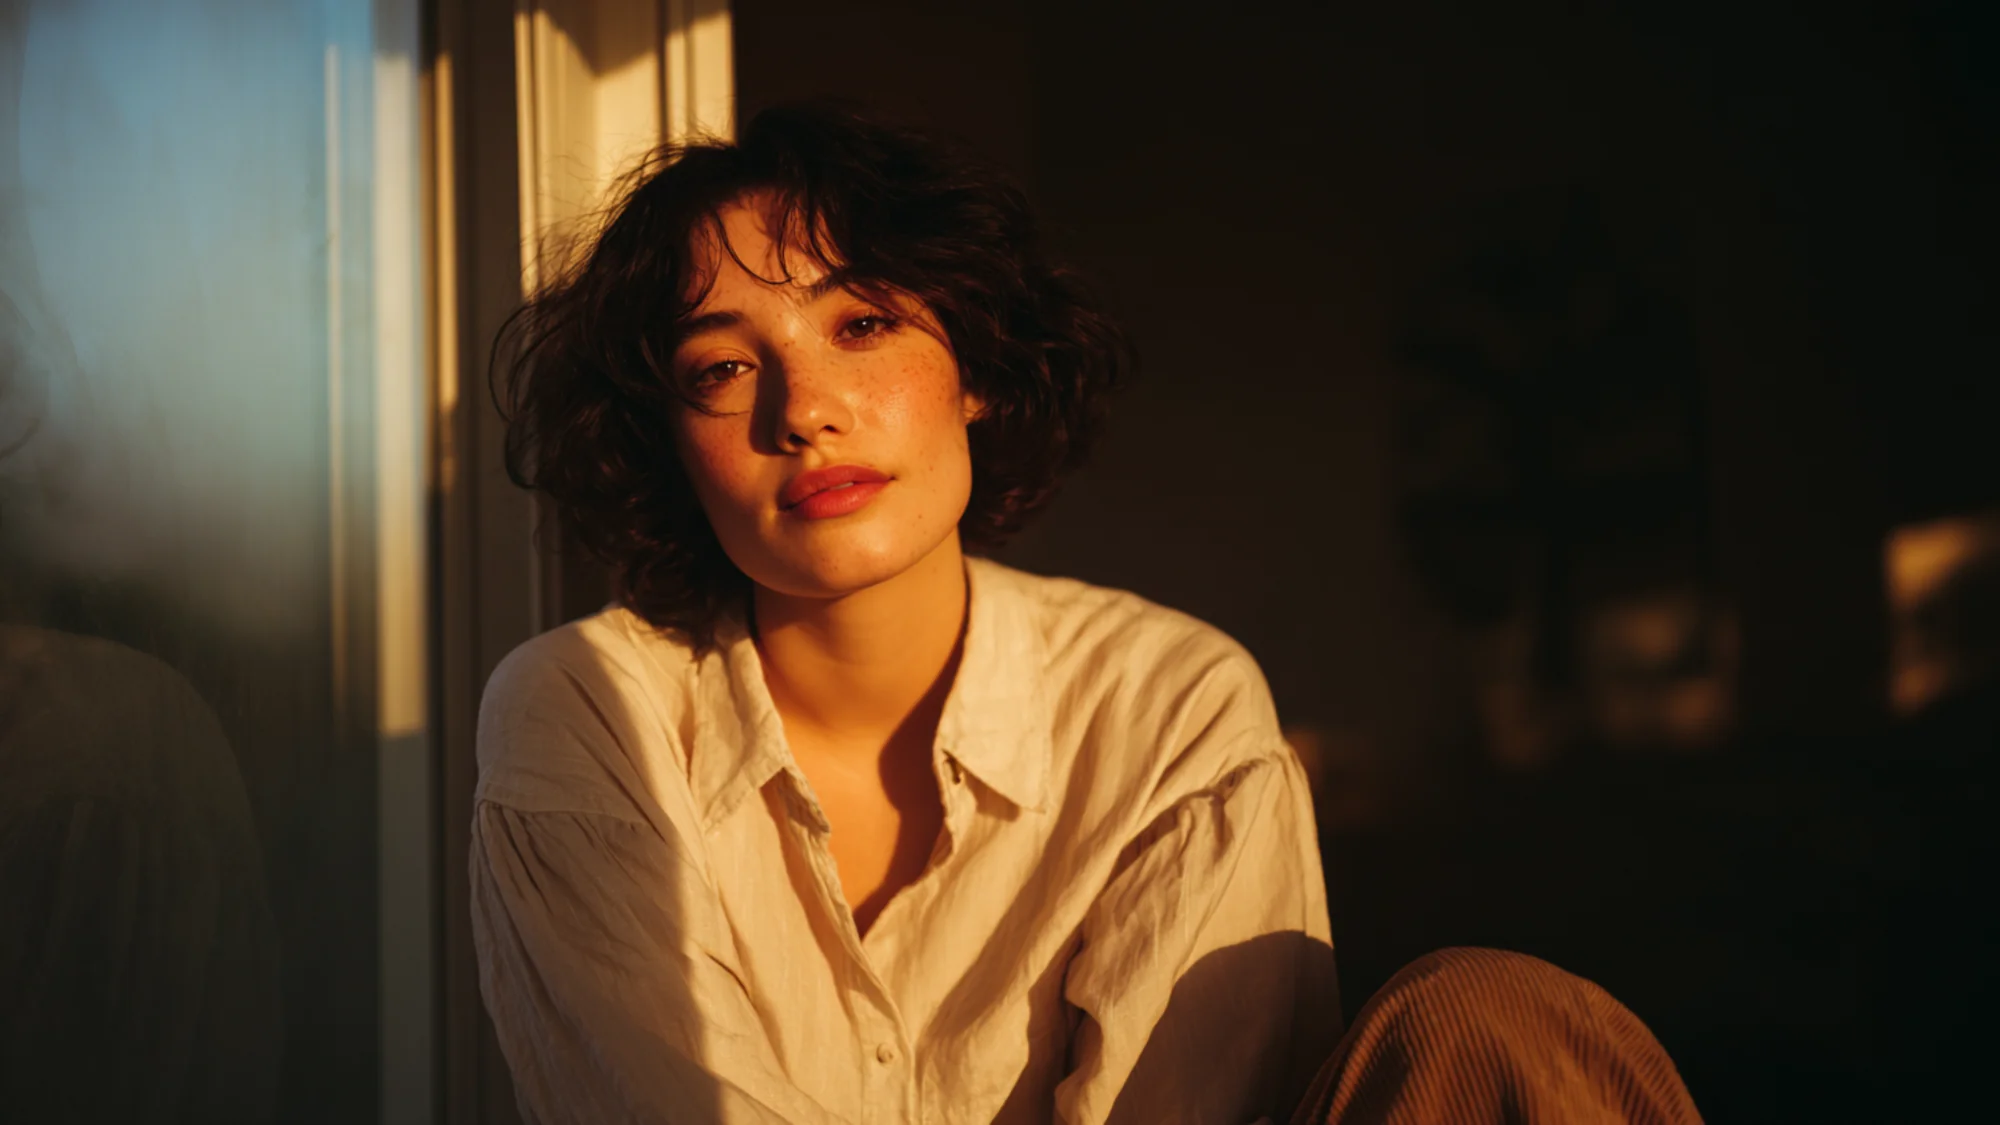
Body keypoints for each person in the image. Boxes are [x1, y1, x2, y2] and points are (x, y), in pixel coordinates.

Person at [474, 102, 1702, 1125]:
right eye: (722, 367)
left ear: (973, 369)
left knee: (1490, 1020)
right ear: (669, 446)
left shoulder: (1167, 704)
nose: (803, 408)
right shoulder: (590, 712)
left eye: (860, 324)